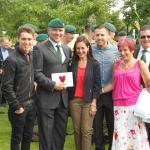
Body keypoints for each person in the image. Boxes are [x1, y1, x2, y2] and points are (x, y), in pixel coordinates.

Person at [103, 37, 150, 149]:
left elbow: (148, 83)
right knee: (121, 136)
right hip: (118, 107)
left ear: (132, 50)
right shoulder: (116, 64)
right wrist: (98, 92)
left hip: (135, 108)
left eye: (125, 50)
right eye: (120, 50)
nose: (122, 53)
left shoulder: (139, 63)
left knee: (136, 137)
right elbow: (113, 84)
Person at [33, 18, 72, 150]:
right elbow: (37, 73)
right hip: (46, 99)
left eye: (60, 30)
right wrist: (52, 84)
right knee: (46, 136)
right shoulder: (39, 49)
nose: (58, 33)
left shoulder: (67, 49)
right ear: (49, 30)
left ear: (64, 32)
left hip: (63, 100)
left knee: (60, 135)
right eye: (54, 30)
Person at [2, 26, 36, 150]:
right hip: (18, 107)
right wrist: (17, 107)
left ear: (33, 39)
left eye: (29, 39)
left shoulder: (31, 55)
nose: (26, 42)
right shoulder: (11, 59)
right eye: (23, 39)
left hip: (31, 104)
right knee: (17, 138)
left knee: (28, 137)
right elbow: (6, 86)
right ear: (18, 39)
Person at [68, 36, 101, 150]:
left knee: (86, 131)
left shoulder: (94, 64)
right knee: (77, 131)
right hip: (74, 101)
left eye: (82, 48)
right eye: (78, 48)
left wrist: (94, 103)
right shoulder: (72, 63)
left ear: (88, 48)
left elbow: (97, 85)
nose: (80, 51)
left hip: (88, 101)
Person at [92, 24, 119, 150]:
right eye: (97, 35)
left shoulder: (116, 51)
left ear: (108, 35)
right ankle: (99, 147)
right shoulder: (90, 51)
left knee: (112, 124)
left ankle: (112, 147)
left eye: (102, 35)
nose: (100, 37)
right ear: (93, 36)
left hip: (111, 93)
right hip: (95, 95)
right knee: (96, 126)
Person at [134, 24, 150, 144]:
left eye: (149, 36)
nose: (146, 39)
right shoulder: (133, 52)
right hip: (135, 97)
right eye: (143, 36)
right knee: (138, 129)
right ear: (139, 38)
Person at [0, 38, 13, 107]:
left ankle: (6, 101)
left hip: (9, 72)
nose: (7, 44)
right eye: (5, 43)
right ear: (1, 43)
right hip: (1, 73)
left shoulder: (11, 50)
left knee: (8, 86)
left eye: (8, 43)